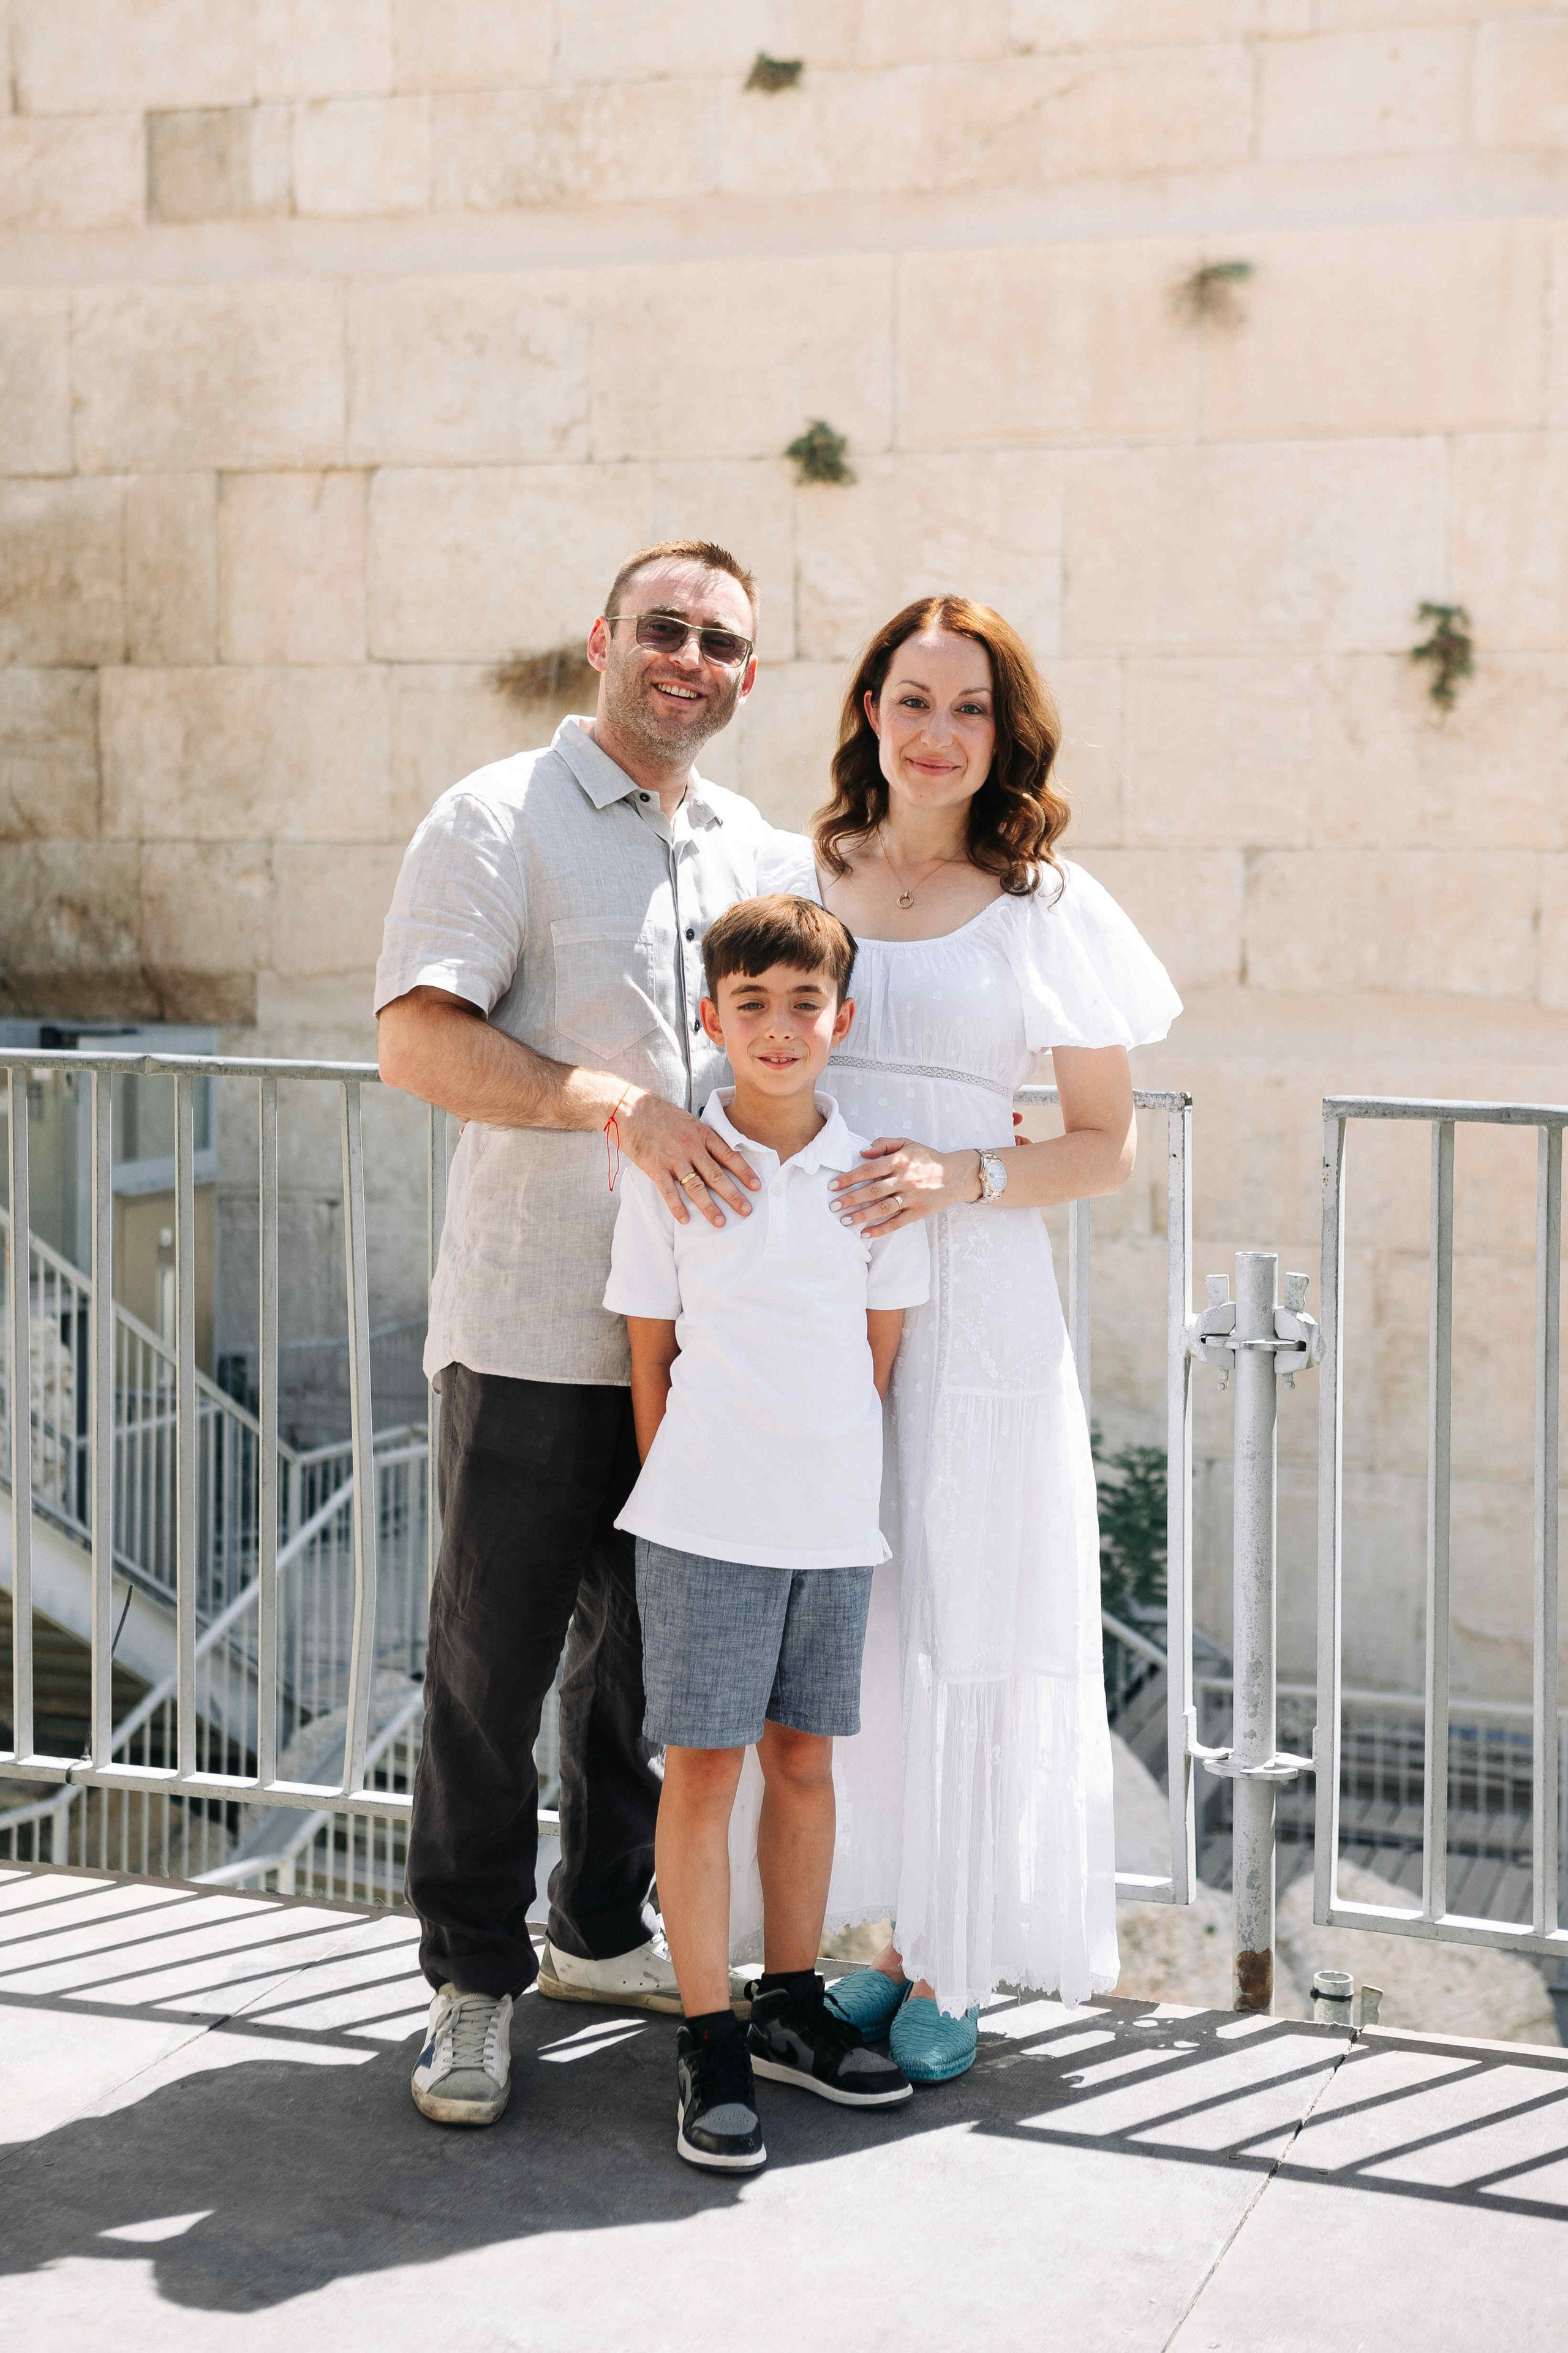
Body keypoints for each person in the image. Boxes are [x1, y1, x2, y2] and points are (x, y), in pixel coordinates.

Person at [747, 595, 1182, 2083]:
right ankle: (868, 1937)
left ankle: (951, 1952)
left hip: (979, 1298)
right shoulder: (800, 873)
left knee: (967, 1610)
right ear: (867, 706)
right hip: (813, 1298)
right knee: (847, 1624)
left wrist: (964, 1177)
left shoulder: (1045, 901)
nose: (937, 735)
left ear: (1005, 735)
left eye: (969, 710)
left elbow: (1110, 1145)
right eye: (912, 699)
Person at [377, 538, 783, 2129]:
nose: (688, 656)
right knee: (494, 1666)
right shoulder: (498, 817)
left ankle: (601, 1932)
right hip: (538, 1321)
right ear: (603, 638)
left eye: (722, 641)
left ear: (749, 676)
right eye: (664, 627)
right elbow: (417, 1040)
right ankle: (473, 1986)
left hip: (705, 1342)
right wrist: (606, 1101)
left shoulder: (760, 843)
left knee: (643, 1672)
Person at [605, 894, 929, 2170]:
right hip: (702, 1519)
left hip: (829, 1521)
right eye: (751, 1004)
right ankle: (705, 2030)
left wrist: (822, 1483)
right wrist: (688, 1489)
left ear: (840, 1020)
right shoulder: (673, 1174)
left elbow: (876, 1359)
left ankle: (788, 1997)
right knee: (704, 1767)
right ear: (711, 1018)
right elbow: (647, 1351)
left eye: (805, 1004)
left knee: (803, 1758)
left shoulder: (871, 1182)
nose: (780, 1027)